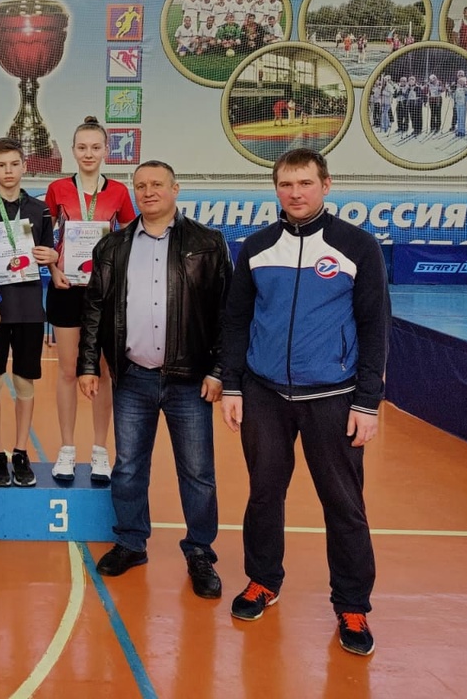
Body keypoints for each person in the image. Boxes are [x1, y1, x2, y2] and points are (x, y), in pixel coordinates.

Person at [219, 149, 389, 657]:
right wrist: (233, 386)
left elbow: (375, 327)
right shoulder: (256, 247)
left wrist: (368, 402)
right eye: (286, 184)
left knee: (343, 504)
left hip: (334, 398)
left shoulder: (358, 247)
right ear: (276, 188)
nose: (295, 193)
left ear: (326, 185)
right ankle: (262, 580)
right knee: (264, 494)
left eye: (305, 183)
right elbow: (236, 321)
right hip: (264, 395)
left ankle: (352, 604)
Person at [77, 161, 232, 599]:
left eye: (157, 184)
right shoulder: (113, 246)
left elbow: (227, 313)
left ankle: (199, 552)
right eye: (140, 185)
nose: (148, 192)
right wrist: (88, 365)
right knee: (128, 468)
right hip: (132, 378)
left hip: (190, 381)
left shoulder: (207, 243)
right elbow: (95, 308)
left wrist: (220, 371)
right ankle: (131, 542)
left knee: (198, 473)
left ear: (175, 189)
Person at [44, 116, 137, 483]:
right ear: (72, 150)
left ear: (106, 151)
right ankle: (67, 448)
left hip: (104, 293)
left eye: (95, 147)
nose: (88, 153)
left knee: (101, 371)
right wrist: (53, 270)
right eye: (82, 147)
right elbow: (46, 237)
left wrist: (115, 276)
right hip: (66, 288)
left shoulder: (118, 192)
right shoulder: (57, 189)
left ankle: (100, 449)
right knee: (68, 371)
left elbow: (129, 239)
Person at [0, 137, 56, 488]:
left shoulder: (40, 209)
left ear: (24, 166)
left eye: (14, 164)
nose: (8, 171)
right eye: (1, 165)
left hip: (29, 308)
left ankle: (20, 451)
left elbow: (49, 251)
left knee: (24, 380)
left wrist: (51, 257)